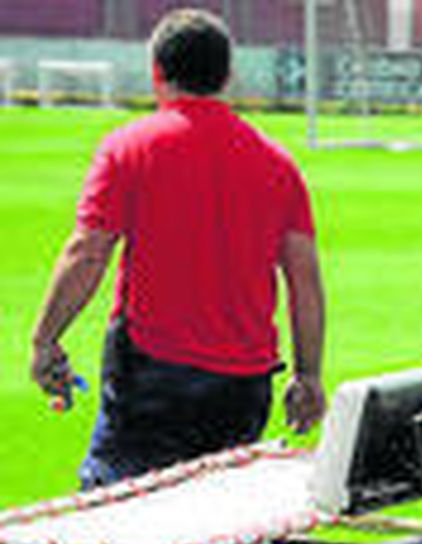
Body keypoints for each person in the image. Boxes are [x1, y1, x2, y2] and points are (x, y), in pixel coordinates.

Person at [28, 7, 326, 492]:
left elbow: (88, 252)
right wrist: (308, 374)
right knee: (213, 519)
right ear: (227, 76)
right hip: (243, 382)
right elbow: (304, 281)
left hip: (153, 369)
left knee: (120, 514)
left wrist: (46, 340)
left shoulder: (127, 148)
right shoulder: (278, 165)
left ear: (157, 72)